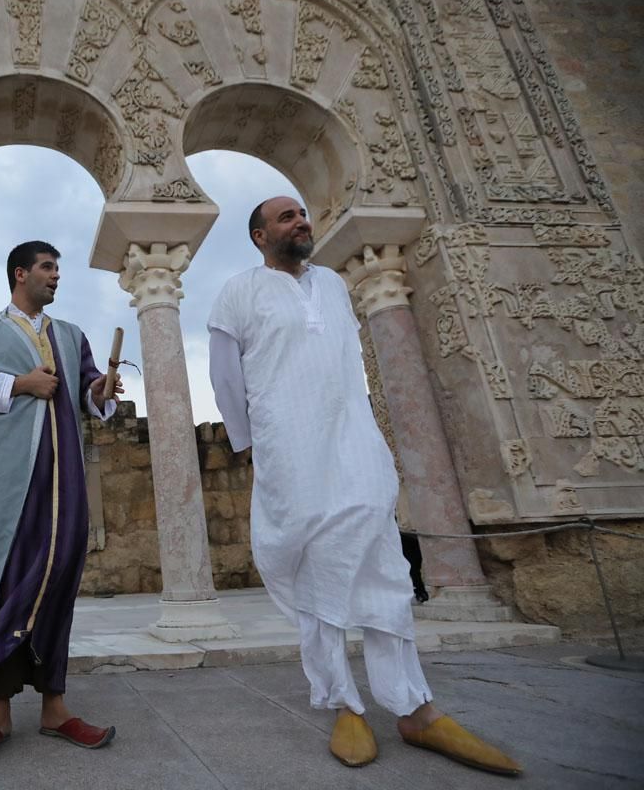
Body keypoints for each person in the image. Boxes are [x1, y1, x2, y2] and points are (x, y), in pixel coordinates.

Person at [207, 196, 520, 775]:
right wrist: (251, 446)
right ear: (258, 236)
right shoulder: (238, 292)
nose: (301, 222)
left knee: (384, 563)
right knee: (316, 565)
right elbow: (225, 376)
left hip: (354, 439)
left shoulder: (331, 284)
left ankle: (414, 708)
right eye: (285, 218)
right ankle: (344, 703)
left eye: (304, 214)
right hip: (290, 446)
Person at [0, 240, 122, 764]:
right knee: (4, 585)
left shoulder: (70, 336)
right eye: (47, 268)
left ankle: (55, 709)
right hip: (5, 493)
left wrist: (103, 390)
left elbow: (91, 390)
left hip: (62, 488)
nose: (56, 277)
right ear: (20, 274)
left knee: (57, 581)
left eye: (58, 270)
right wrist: (21, 383)